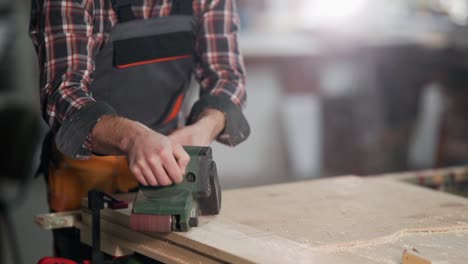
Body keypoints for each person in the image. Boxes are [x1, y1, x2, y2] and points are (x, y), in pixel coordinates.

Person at [29, 0, 249, 261]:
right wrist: (133, 137)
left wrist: (202, 129)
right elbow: (63, 94)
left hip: (172, 170)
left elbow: (227, 78)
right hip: (88, 178)